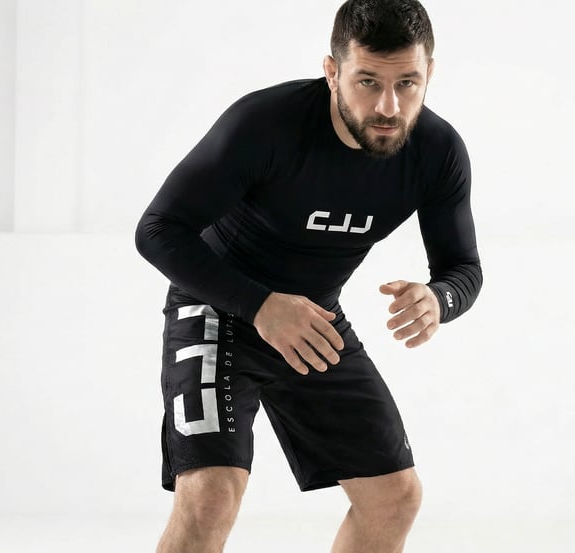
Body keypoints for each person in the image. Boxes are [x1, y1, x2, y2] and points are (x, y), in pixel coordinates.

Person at [135, 0, 482, 551]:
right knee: (210, 498)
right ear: (332, 71)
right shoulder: (265, 124)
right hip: (217, 309)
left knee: (394, 497)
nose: (388, 106)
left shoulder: (437, 152)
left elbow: (462, 269)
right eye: (367, 82)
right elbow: (157, 230)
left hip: (314, 321)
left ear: (429, 74)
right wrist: (262, 306)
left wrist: (438, 298)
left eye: (407, 84)